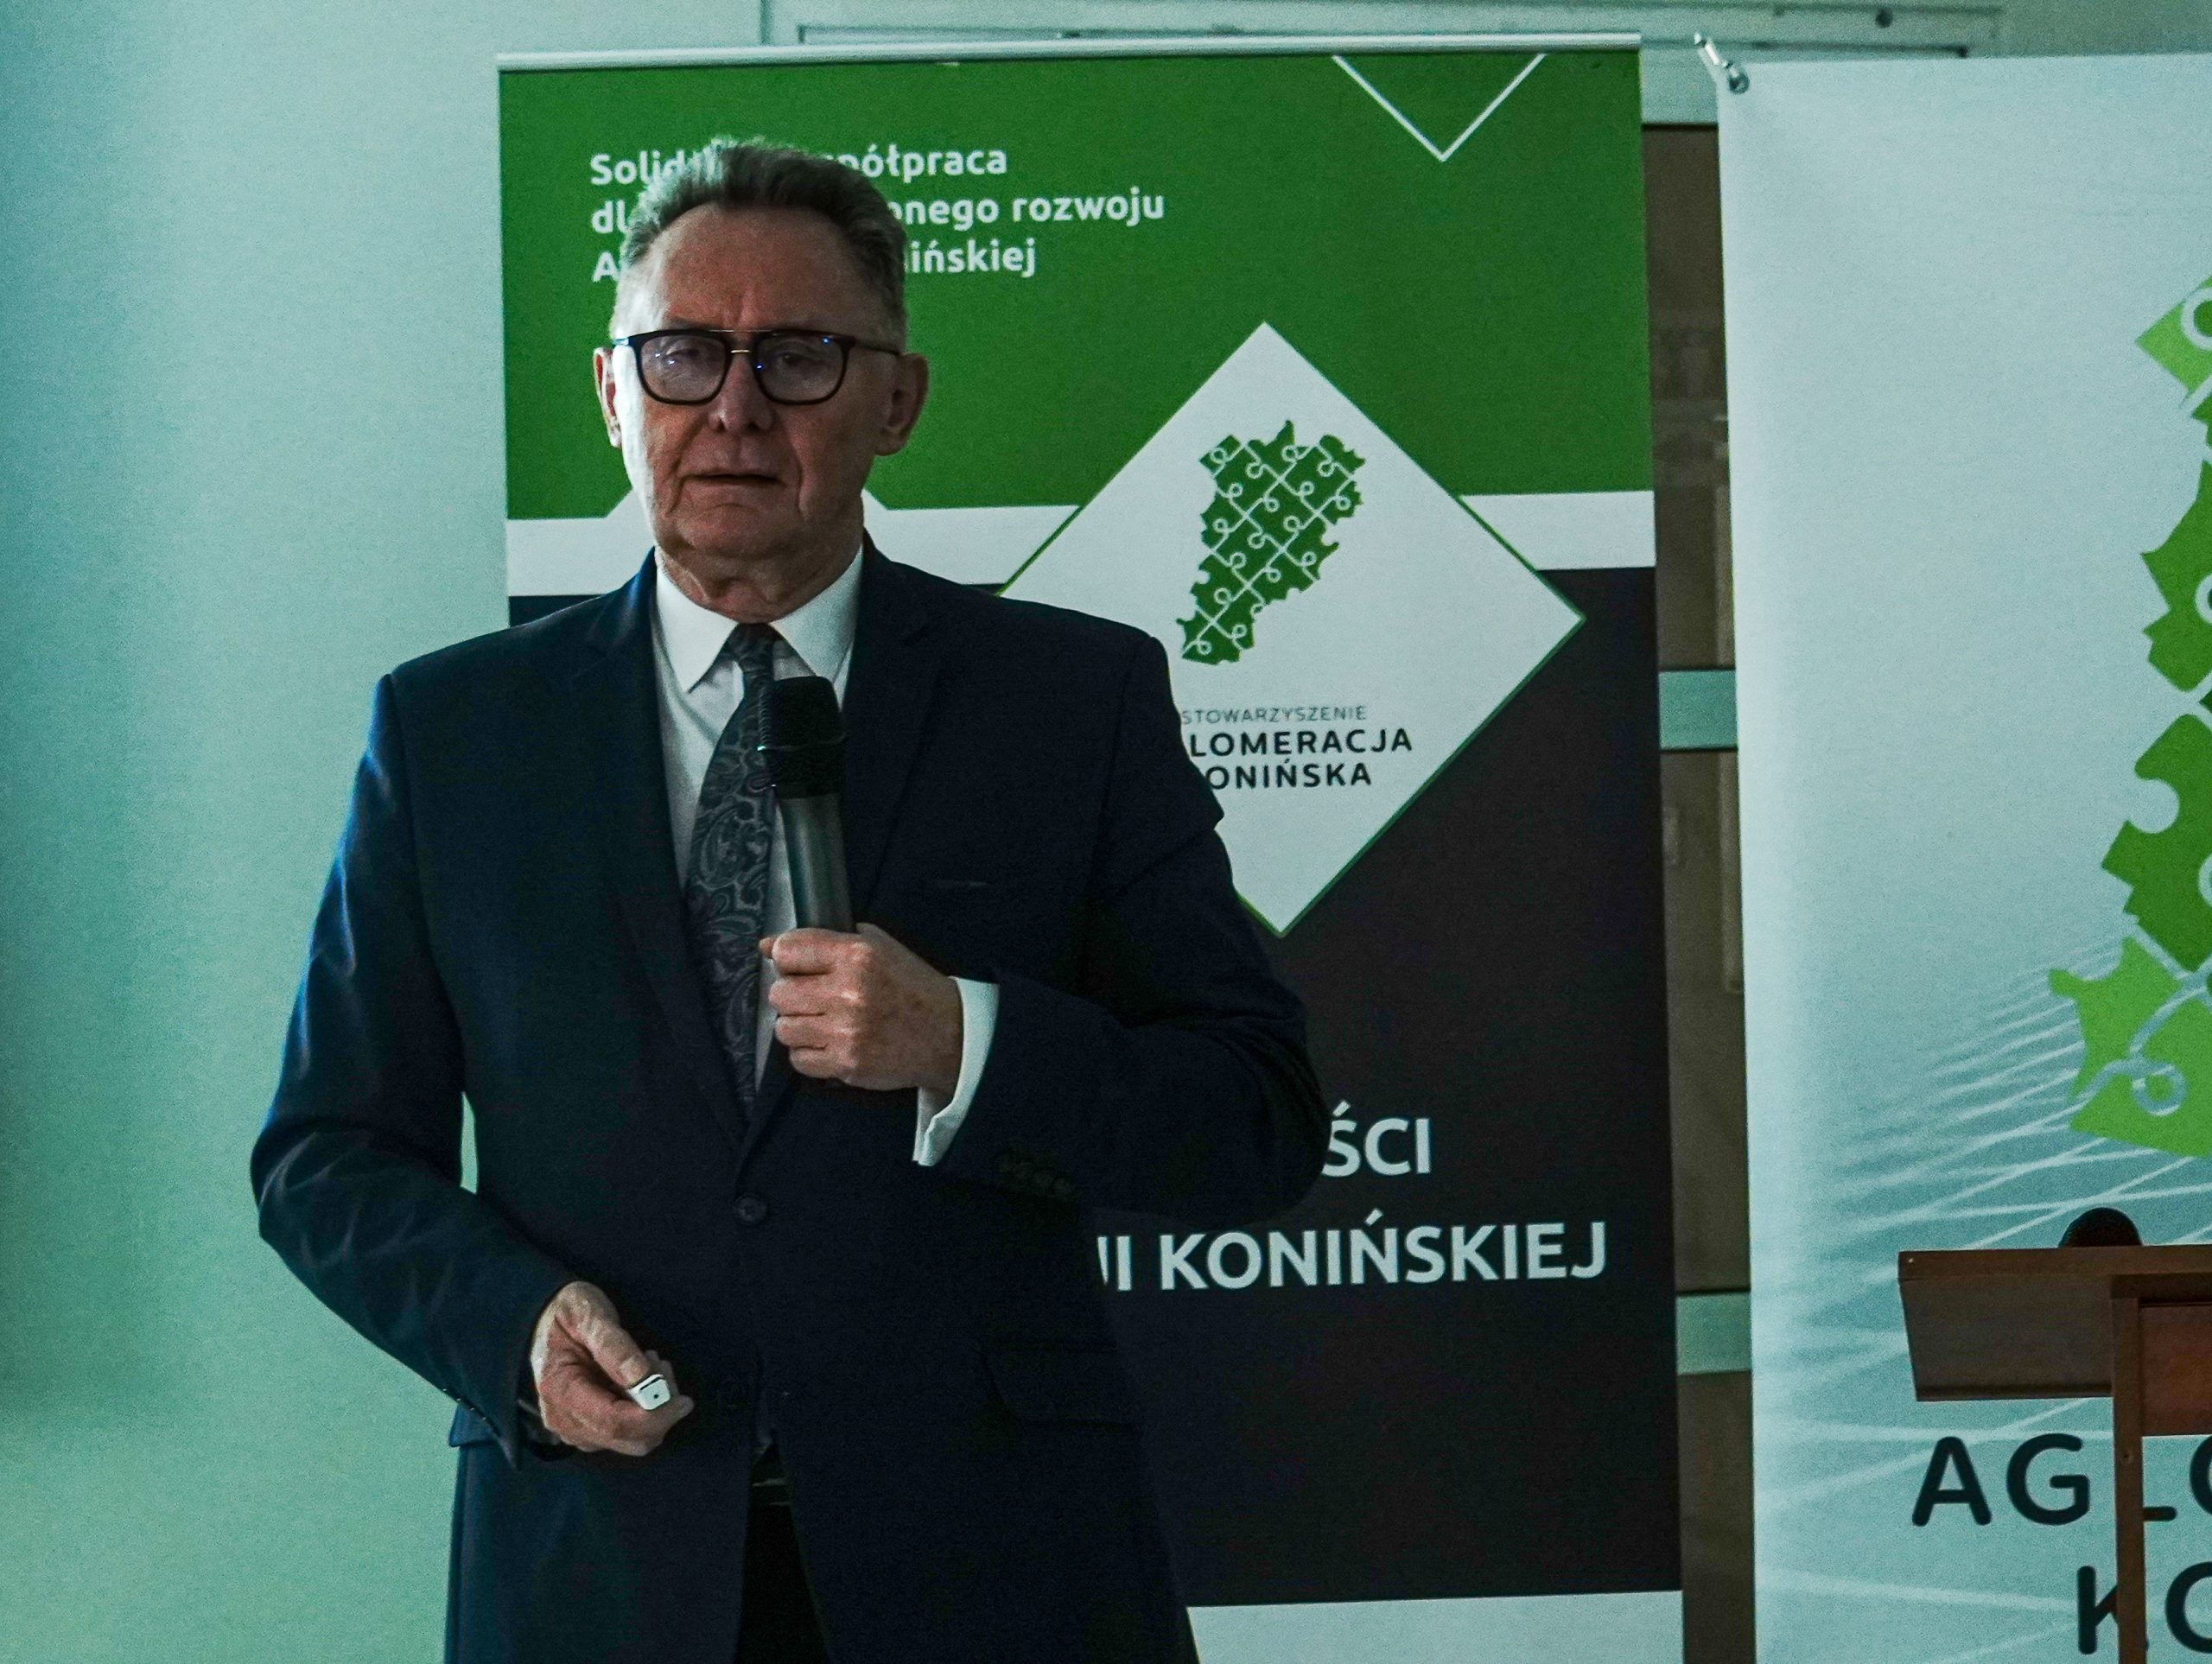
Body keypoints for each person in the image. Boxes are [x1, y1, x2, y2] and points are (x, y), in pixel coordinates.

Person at [251, 138, 1325, 1664]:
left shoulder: (1069, 705)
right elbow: (326, 1154)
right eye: (684, 354)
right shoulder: (455, 735)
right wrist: (513, 1325)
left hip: (997, 1574)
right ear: (612, 393)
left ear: (899, 400)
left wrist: (964, 1042)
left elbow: (1256, 1114)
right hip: (600, 1573)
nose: (736, 408)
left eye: (800, 357)